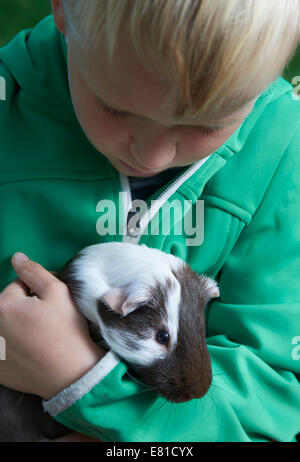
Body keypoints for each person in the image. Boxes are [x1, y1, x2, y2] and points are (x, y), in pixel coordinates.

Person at [0, 0, 299, 442]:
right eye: (115, 108)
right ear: (63, 8)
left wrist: (86, 382)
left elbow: (277, 391)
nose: (152, 156)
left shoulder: (285, 150)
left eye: (208, 124)